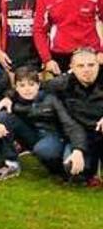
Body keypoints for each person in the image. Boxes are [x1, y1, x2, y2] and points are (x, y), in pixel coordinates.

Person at [0, 66, 86, 181]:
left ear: (38, 85)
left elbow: (68, 123)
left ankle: (58, 169)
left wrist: (78, 148)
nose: (27, 89)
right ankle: (11, 163)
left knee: (43, 150)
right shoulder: (11, 99)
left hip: (53, 135)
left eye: (31, 84)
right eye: (22, 85)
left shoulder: (51, 99)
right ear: (16, 87)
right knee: (3, 116)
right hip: (31, 135)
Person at [38, 49, 103, 186]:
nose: (87, 70)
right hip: (77, 135)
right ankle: (66, 171)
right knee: (70, 166)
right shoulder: (61, 84)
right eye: (81, 66)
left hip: (99, 133)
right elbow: (32, 89)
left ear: (98, 65)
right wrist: (9, 97)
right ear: (72, 68)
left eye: (91, 65)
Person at [33, 0, 103, 75]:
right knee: (65, 93)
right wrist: (47, 59)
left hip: (92, 56)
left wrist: (102, 51)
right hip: (62, 57)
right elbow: (39, 30)